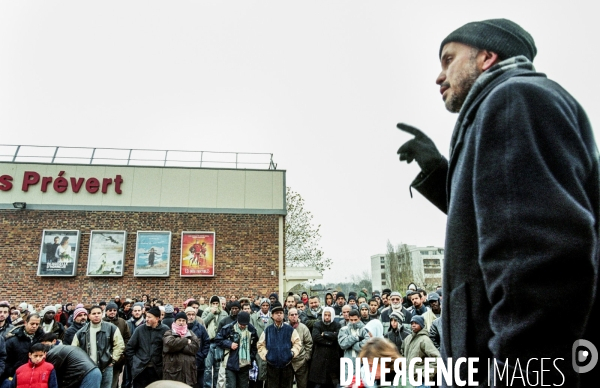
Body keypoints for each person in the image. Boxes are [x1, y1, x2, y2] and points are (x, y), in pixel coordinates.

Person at [396, 18, 599, 387]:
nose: (438, 77)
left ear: (487, 56)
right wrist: (442, 172)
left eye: (448, 59)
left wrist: (524, 373)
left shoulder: (513, 100)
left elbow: (538, 260)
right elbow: (500, 219)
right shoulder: (509, 105)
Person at [72, 305, 125, 388]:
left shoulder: (111, 328)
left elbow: (119, 345)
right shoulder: (81, 332)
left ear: (102, 314)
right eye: (94, 313)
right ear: (89, 316)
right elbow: (74, 349)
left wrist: (113, 359)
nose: (96, 315)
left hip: (106, 366)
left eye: (99, 313)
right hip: (88, 368)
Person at [256, 303, 301, 388]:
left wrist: (292, 353)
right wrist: (266, 355)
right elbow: (260, 345)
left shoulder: (290, 330)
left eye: (281, 313)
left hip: (286, 366)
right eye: (276, 313)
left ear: (283, 315)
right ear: (272, 316)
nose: (279, 315)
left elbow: (297, 343)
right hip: (272, 366)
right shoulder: (268, 330)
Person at [126, 306, 169, 388]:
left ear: (157, 318)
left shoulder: (165, 330)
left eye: (149, 317)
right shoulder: (140, 329)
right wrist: (134, 362)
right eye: (146, 316)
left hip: (157, 369)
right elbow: (130, 347)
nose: (146, 319)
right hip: (141, 369)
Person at [215, 311, 258, 388]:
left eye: (245, 324)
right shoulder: (229, 328)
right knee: (231, 386)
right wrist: (229, 344)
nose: (243, 326)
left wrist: (251, 357)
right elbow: (218, 339)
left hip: (245, 364)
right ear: (237, 320)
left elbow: (255, 346)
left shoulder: (252, 330)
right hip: (231, 363)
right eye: (241, 324)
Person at [162, 312, 200, 386]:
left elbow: (195, 348)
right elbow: (170, 345)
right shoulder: (169, 333)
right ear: (175, 321)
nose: (181, 322)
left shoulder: (191, 333)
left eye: (183, 320)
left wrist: (178, 346)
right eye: (179, 320)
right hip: (173, 372)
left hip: (189, 374)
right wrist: (186, 341)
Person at [308, 307, 340, 388]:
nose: (327, 317)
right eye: (325, 315)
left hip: (332, 358)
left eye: (329, 315)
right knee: (318, 382)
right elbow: (316, 337)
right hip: (319, 357)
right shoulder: (317, 324)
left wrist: (325, 334)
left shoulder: (337, 325)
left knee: (331, 382)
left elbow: (337, 336)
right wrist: (329, 341)